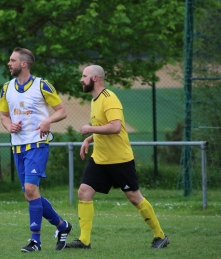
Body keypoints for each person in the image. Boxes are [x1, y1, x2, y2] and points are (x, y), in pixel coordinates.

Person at [66, 65, 169, 249]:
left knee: (134, 197)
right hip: (100, 159)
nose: (81, 79)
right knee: (84, 191)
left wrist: (89, 129)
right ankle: (84, 240)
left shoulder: (109, 98)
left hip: (120, 159)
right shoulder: (94, 100)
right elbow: (102, 126)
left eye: (84, 76)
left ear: (95, 78)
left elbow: (115, 127)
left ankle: (160, 236)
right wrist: (89, 139)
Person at [0, 47, 72, 252]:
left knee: (30, 190)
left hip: (37, 145)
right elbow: (4, 115)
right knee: (30, 194)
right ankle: (62, 225)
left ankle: (35, 241)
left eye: (12, 60)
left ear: (23, 64)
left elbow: (62, 111)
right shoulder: (7, 88)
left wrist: (47, 120)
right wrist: (8, 126)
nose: (8, 63)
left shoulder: (42, 85)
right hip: (18, 146)